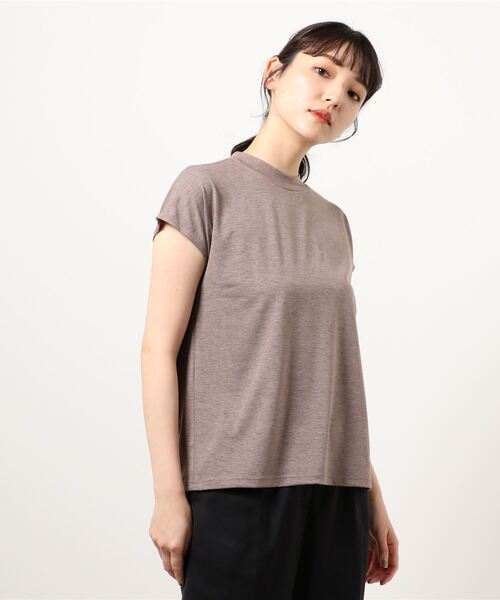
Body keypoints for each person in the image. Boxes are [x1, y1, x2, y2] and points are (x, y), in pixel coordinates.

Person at [141, 21, 399, 599]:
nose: (335, 95)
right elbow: (158, 349)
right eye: (322, 70)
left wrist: (372, 497)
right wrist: (167, 493)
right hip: (236, 486)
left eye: (354, 92)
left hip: (338, 496)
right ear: (274, 73)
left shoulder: (333, 222)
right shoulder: (204, 191)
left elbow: (329, 375)